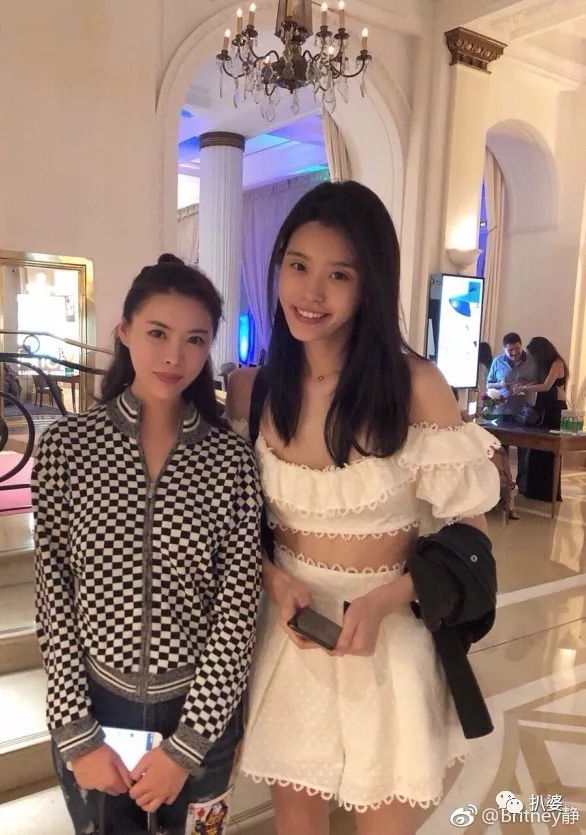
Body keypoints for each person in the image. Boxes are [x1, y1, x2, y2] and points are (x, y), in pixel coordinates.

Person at [226, 181, 501, 835]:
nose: (311, 292)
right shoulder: (255, 388)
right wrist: (276, 581)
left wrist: (384, 600)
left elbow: (471, 532)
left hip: (389, 641)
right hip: (291, 639)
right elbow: (237, 529)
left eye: (339, 275)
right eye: (298, 265)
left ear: (369, 285)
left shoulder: (414, 386)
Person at [32, 254, 263, 835]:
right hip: (96, 714)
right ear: (124, 331)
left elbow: (237, 610)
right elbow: (52, 596)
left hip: (200, 720)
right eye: (158, 333)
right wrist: (76, 732)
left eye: (194, 340)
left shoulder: (230, 462)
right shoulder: (68, 448)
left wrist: (186, 747)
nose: (173, 356)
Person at [514, 336, 569, 502]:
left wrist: (524, 387)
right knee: (537, 448)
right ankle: (534, 490)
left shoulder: (557, 363)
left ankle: (546, 492)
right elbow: (539, 381)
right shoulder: (546, 364)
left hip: (553, 411)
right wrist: (523, 385)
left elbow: (545, 386)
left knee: (549, 450)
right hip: (544, 408)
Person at [486, 332, 537, 492]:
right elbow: (488, 384)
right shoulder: (497, 361)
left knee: (525, 448)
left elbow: (539, 381)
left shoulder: (532, 361)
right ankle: (503, 483)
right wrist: (501, 384)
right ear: (504, 349)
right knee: (501, 448)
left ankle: (523, 485)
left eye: (517, 349)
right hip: (502, 409)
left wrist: (525, 385)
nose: (514, 353)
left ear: (521, 345)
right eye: (510, 350)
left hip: (524, 410)